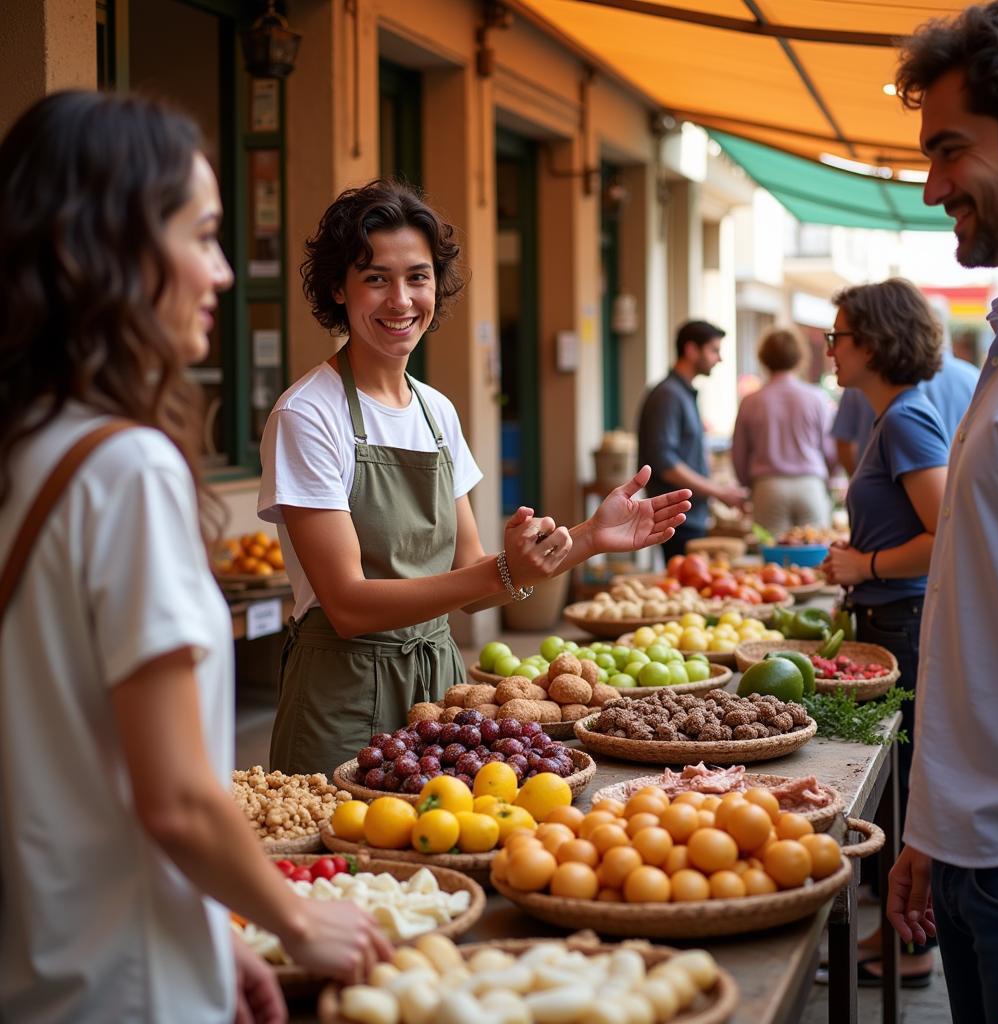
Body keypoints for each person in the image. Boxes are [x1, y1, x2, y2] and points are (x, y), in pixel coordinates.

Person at [0, 91, 391, 1024]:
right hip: (131, 987)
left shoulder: (28, 451)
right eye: (203, 234)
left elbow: (73, 753)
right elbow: (175, 796)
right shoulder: (125, 470)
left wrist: (213, 926)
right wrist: (295, 918)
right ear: (109, 246)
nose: (222, 271)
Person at [257, 179, 691, 773]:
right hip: (342, 694)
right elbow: (349, 605)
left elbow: (472, 585)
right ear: (338, 288)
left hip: (441, 688)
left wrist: (589, 538)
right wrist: (503, 568)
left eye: (417, 277)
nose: (401, 300)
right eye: (376, 278)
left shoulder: (437, 413)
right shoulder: (307, 414)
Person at [885, 4, 998, 1021]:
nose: (932, 187)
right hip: (980, 855)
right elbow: (982, 615)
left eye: (949, 150)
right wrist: (930, 827)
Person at [820, 278, 948, 988]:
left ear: (872, 340)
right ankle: (895, 937)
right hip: (886, 616)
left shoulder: (903, 420)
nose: (830, 350)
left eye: (838, 336)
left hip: (902, 622)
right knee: (892, 787)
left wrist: (863, 562)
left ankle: (909, 946)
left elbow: (944, 531)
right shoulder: (890, 416)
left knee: (896, 790)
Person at [636, 319, 747, 560]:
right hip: (678, 519)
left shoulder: (682, 393)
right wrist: (718, 491)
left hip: (688, 517)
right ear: (691, 350)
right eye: (714, 350)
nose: (720, 358)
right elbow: (665, 464)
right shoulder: (668, 395)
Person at [730, 327, 835, 535]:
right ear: (799, 357)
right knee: (815, 554)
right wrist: (828, 479)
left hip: (768, 486)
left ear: (764, 358)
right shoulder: (817, 398)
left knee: (772, 560)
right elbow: (830, 450)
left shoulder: (751, 401)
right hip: (810, 484)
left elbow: (739, 454)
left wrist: (749, 485)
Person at [831, 350, 980, 475]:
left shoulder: (903, 415)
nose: (830, 351)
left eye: (838, 336)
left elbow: (936, 506)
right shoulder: (973, 378)